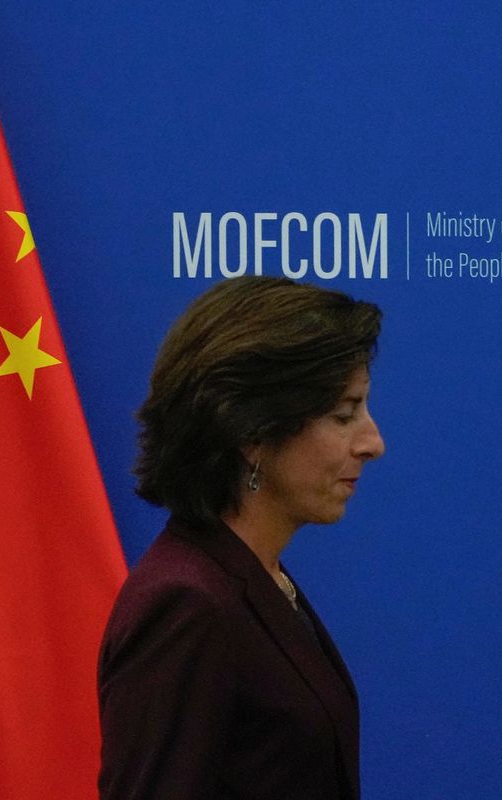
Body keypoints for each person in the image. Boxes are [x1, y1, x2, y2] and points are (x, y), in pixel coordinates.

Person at [98, 276, 385, 800]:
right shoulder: (187, 604)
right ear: (252, 433)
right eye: (344, 415)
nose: (373, 442)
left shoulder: (253, 576)